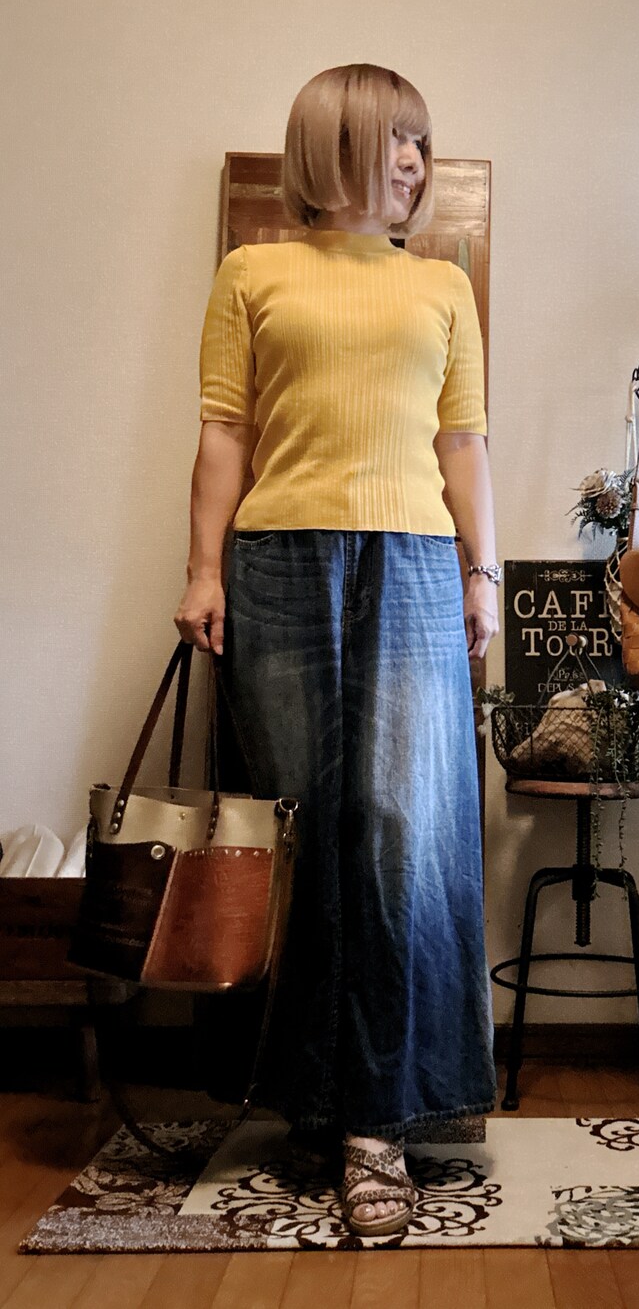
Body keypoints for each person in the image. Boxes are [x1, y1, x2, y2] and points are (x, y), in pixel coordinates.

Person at [174, 63, 499, 1237]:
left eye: (420, 141)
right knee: (297, 832)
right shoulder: (251, 273)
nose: (413, 159)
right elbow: (225, 431)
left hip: (412, 565)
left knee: (402, 832)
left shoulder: (442, 286)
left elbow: (463, 443)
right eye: (393, 138)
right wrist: (203, 568)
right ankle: (310, 1098)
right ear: (332, 145)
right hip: (278, 565)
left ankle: (380, 1117)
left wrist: (482, 574)